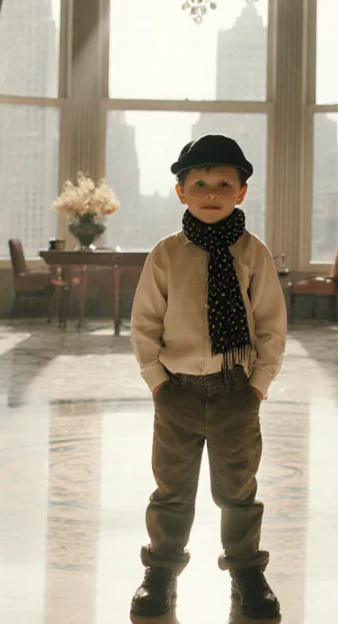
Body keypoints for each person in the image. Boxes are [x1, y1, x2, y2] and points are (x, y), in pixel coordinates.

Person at [128, 134, 288, 620]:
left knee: (238, 489)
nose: (211, 192)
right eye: (199, 183)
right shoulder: (166, 254)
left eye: (224, 183)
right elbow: (145, 322)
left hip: (234, 390)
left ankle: (246, 571)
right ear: (182, 192)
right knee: (171, 489)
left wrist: (258, 384)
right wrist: (157, 380)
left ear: (241, 192)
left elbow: (271, 323)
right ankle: (161, 571)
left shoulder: (252, 252)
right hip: (176, 391)